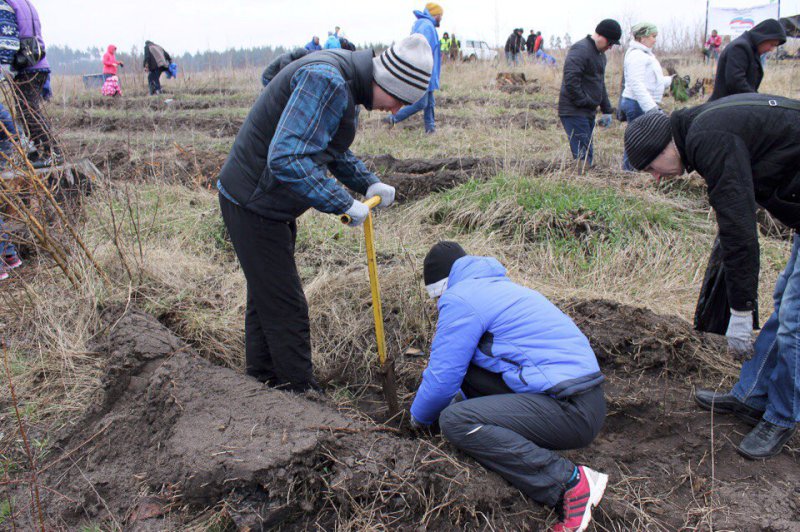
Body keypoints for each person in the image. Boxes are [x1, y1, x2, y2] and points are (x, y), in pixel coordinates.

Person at [216, 36, 433, 392]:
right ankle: (299, 395)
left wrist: (367, 183)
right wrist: (340, 202)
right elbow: (286, 157)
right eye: (399, 101)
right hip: (254, 202)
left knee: (267, 296)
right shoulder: (329, 81)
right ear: (389, 82)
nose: (395, 111)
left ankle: (260, 384)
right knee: (287, 307)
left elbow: (325, 145)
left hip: (261, 200)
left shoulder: (343, 75)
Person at [623, 94, 800, 459]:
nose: (656, 177)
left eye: (651, 167)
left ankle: (782, 416)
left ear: (665, 145)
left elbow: (739, 231)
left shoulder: (708, 139)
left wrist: (740, 310)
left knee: (796, 321)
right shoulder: (702, 128)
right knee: (786, 301)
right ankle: (752, 396)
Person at [409, 241, 608, 532]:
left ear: (442, 288)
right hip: (581, 399)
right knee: (467, 379)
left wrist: (418, 420)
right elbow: (465, 373)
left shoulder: (461, 297)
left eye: (435, 299)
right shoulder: (495, 289)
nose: (437, 307)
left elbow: (441, 380)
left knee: (456, 420)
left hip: (570, 408)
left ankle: (570, 484)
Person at [557, 19, 621, 168]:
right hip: (574, 111)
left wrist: (606, 109)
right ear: (600, 36)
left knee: (587, 153)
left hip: (587, 111)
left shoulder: (600, 55)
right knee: (582, 155)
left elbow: (599, 83)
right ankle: (581, 184)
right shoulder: (580, 49)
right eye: (609, 43)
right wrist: (585, 102)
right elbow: (571, 80)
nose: (610, 47)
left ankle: (584, 180)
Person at [6, 0, 60, 167]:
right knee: (28, 112)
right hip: (39, 64)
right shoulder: (27, 4)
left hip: (26, 67)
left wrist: (5, 64)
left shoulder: (7, 4)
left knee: (29, 113)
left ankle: (51, 152)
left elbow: (7, 38)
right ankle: (40, 152)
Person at [382, 3, 442, 134]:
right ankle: (393, 118)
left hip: (427, 71)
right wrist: (422, 70)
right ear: (435, 14)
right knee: (421, 103)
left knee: (430, 102)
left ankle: (430, 129)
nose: (441, 18)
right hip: (424, 71)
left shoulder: (424, 24)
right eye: (440, 15)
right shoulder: (426, 26)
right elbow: (421, 49)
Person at [619, 23, 672, 171]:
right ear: (642, 37)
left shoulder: (645, 54)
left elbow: (652, 80)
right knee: (637, 141)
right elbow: (636, 84)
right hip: (637, 104)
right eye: (653, 36)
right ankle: (629, 173)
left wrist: (672, 81)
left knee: (640, 140)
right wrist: (652, 109)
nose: (655, 40)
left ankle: (632, 170)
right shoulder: (637, 55)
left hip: (641, 102)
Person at [709, 19, 786, 101]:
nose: (771, 49)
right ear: (763, 37)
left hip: (735, 104)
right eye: (772, 44)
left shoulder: (751, 49)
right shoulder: (739, 47)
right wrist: (758, 101)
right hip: (725, 107)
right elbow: (735, 82)